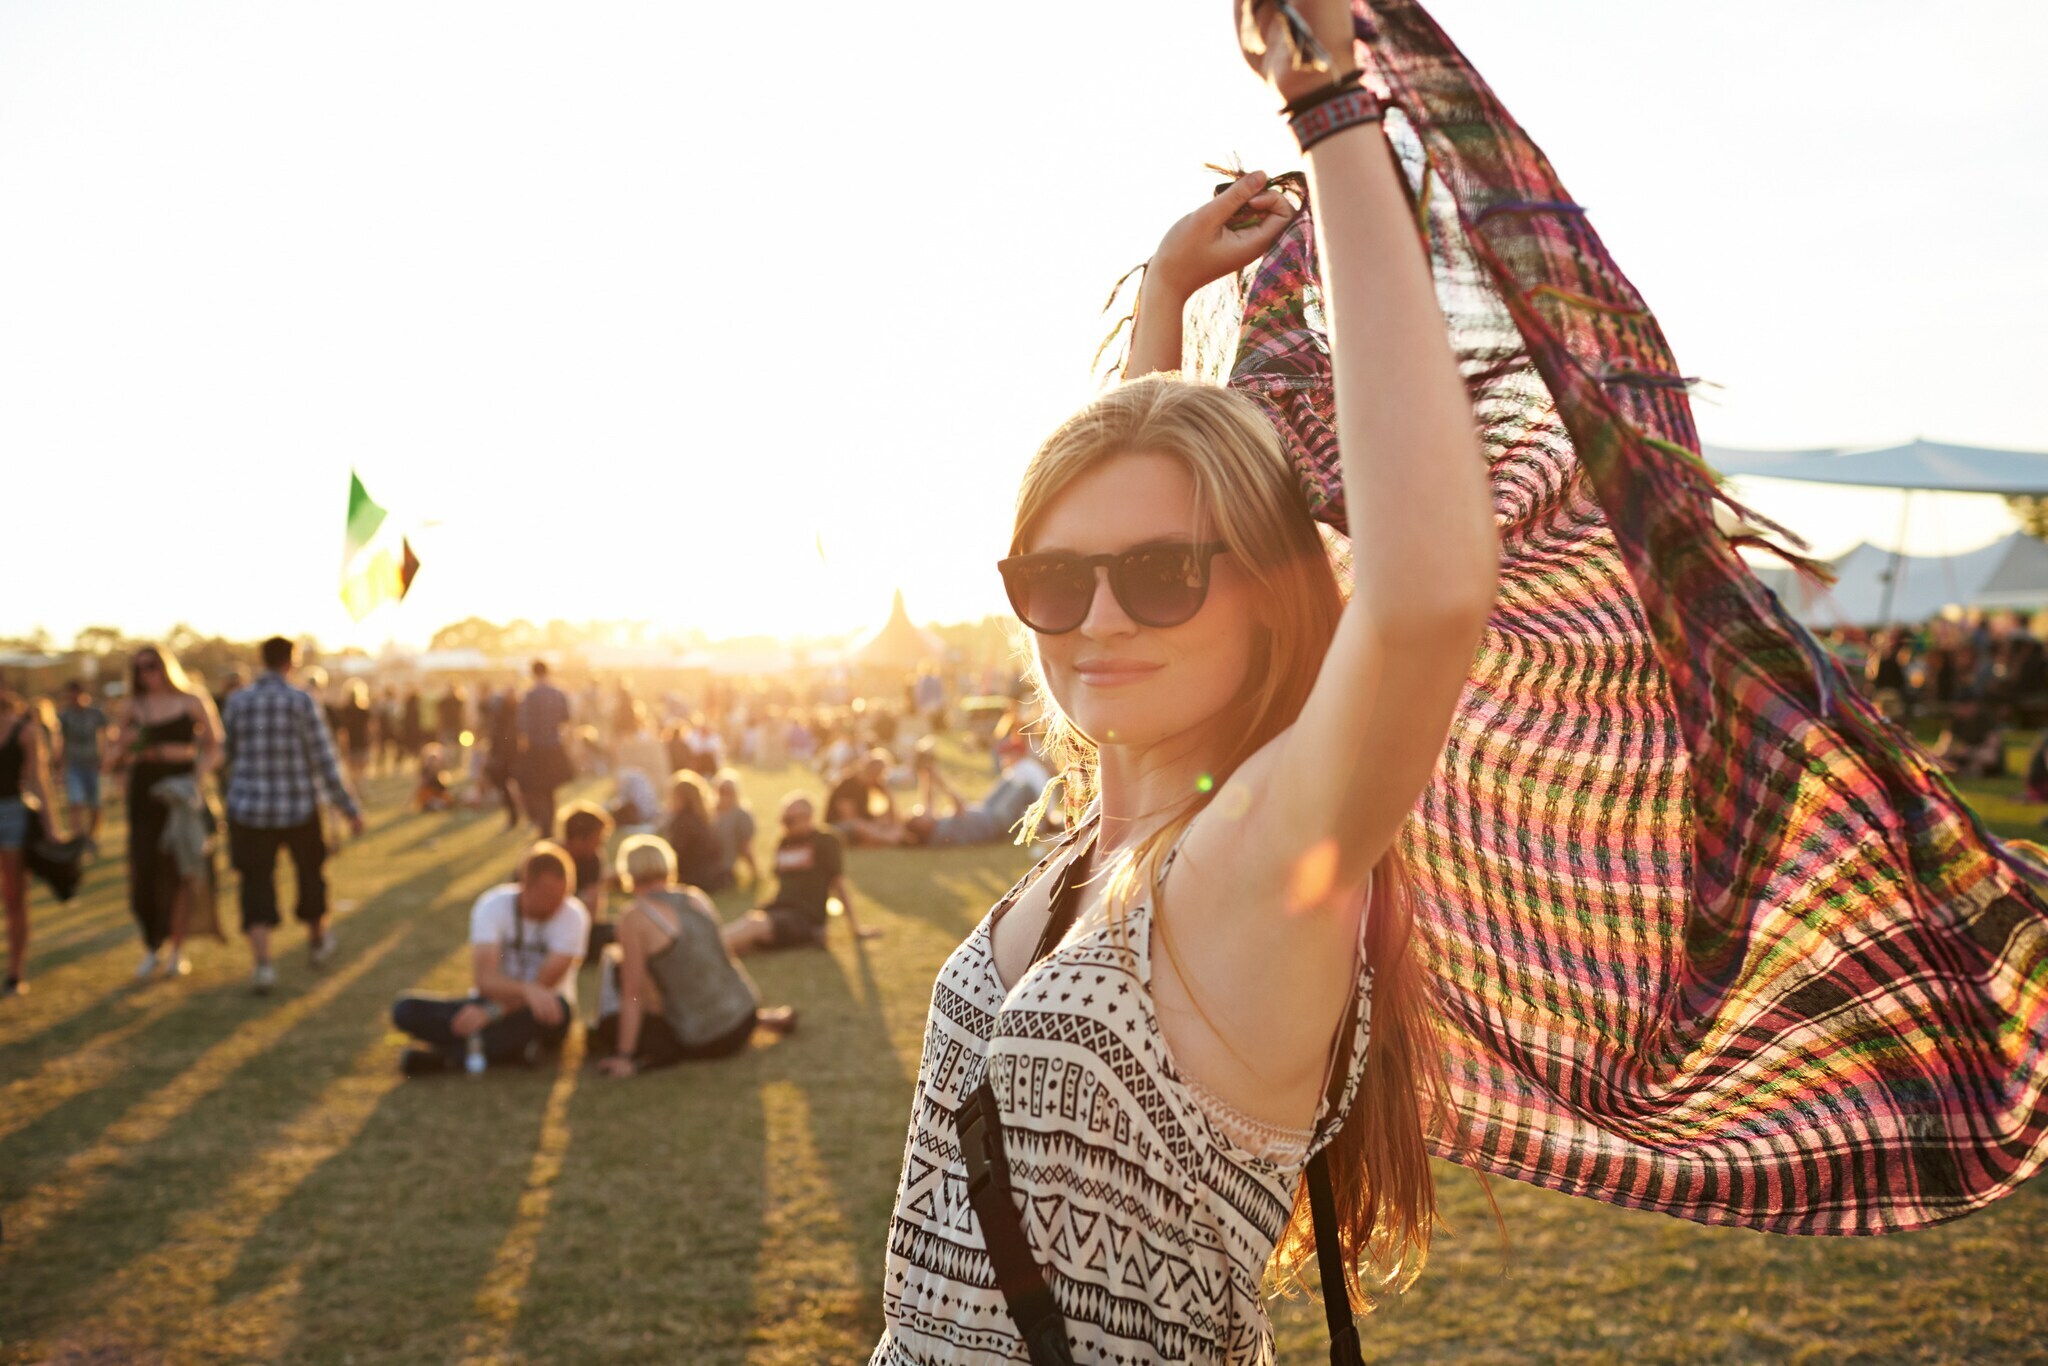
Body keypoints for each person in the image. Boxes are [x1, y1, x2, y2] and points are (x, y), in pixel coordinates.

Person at [873, 6, 1502, 1360]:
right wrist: (1163, 305)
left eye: (1159, 575)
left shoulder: (1257, 862)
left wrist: (1325, 105)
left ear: (1266, 593)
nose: (1096, 617)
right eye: (1051, 579)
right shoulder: (1108, 837)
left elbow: (1431, 595)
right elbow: (1139, 514)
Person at [588, 834, 798, 1076]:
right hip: (745, 1015)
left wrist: (624, 1055)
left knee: (616, 979)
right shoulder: (695, 897)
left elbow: (631, 992)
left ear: (628, 873)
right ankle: (764, 1019)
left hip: (705, 1038)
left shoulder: (635, 918)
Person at [222, 636, 364, 994]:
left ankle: (263, 964)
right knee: (310, 877)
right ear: (292, 661)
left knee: (255, 885)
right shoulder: (300, 701)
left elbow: (226, 757)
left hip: (250, 810)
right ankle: (317, 944)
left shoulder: (238, 702)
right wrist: (348, 807)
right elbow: (324, 759)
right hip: (298, 808)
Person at [390, 841, 589, 1075]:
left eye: (563, 895)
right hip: (489, 1002)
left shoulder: (573, 915)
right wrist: (515, 995)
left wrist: (492, 1013)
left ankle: (449, 1058)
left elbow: (543, 987)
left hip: (536, 1012)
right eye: (548, 895)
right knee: (405, 1009)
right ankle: (510, 1050)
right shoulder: (493, 905)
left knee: (557, 1010)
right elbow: (485, 980)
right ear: (524, 884)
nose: (557, 904)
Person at [110, 644, 226, 980]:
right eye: (140, 668)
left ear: (165, 666)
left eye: (152, 666)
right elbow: (116, 754)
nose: (147, 674)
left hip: (179, 795)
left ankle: (177, 949)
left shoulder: (193, 700)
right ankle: (152, 945)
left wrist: (196, 776)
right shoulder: (132, 706)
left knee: (179, 871)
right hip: (144, 794)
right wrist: (127, 746)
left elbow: (215, 744)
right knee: (144, 870)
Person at [725, 794, 882, 954]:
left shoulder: (826, 841)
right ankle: (703, 948)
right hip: (779, 910)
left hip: (806, 918)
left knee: (753, 925)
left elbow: (838, 883)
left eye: (790, 820)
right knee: (744, 935)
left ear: (807, 817)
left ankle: (702, 947)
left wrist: (855, 927)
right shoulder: (784, 842)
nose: (785, 825)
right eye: (783, 820)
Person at [1, 688, 67, 997]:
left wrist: (52, 827)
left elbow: (40, 778)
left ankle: (16, 972)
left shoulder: (24, 730)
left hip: (13, 813)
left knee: (15, 898)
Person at [903, 734, 1053, 847]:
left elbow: (928, 800)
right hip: (997, 823)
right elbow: (959, 805)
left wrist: (926, 774)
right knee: (1024, 788)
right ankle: (1045, 818)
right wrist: (939, 780)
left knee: (1008, 781)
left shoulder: (934, 826)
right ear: (921, 827)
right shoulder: (941, 833)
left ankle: (1039, 818)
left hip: (985, 809)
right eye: (920, 816)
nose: (924, 813)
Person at [515, 661, 573, 837]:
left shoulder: (530, 695)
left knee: (538, 790)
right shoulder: (558, 692)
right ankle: (549, 826)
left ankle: (545, 828)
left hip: (536, 748)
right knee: (550, 789)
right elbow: (565, 717)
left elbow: (522, 724)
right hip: (554, 746)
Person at [55, 680, 111, 848]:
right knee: (76, 803)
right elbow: (62, 742)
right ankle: (78, 840)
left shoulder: (96, 713)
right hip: (74, 766)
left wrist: (106, 758)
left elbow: (106, 736)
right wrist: (60, 767)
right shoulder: (65, 716)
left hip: (93, 765)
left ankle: (92, 838)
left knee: (95, 805)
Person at [659, 769, 728, 890]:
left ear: (680, 798)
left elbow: (675, 855)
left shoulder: (682, 822)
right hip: (713, 878)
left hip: (692, 879)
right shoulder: (703, 819)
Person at [827, 748, 906, 846]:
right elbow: (849, 818)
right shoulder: (847, 785)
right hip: (838, 827)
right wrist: (873, 827)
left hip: (863, 826)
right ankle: (889, 840)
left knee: (880, 823)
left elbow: (893, 814)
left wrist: (886, 792)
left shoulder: (874, 787)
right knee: (860, 826)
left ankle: (886, 839)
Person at [1932, 696, 2006, 778]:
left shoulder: (1985, 718)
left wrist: (1970, 751)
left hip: (1979, 753)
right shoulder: (1955, 720)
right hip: (1964, 755)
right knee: (1939, 756)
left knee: (1988, 755)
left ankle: (1967, 771)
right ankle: (1961, 770)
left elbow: (1993, 744)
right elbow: (1944, 743)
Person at [712, 768, 759, 886]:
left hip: (724, 868)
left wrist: (755, 872)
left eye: (729, 791)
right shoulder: (708, 811)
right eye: (721, 791)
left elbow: (746, 847)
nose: (724, 795)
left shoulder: (741, 815)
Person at [336, 679, 374, 799]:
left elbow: (342, 732)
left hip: (351, 744)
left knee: (353, 772)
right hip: (362, 743)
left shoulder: (344, 710)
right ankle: (362, 792)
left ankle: (356, 793)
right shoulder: (364, 710)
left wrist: (342, 746)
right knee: (362, 771)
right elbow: (370, 729)